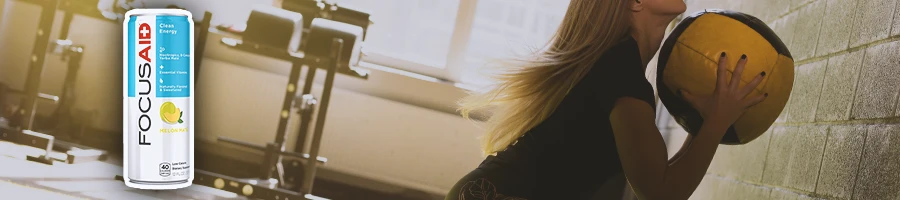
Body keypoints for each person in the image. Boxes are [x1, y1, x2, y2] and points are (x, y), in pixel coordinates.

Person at [449, 0, 768, 199]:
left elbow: (658, 181)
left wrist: (706, 124)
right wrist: (715, 122)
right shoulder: (619, 69)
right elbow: (662, 192)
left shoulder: (619, 64)